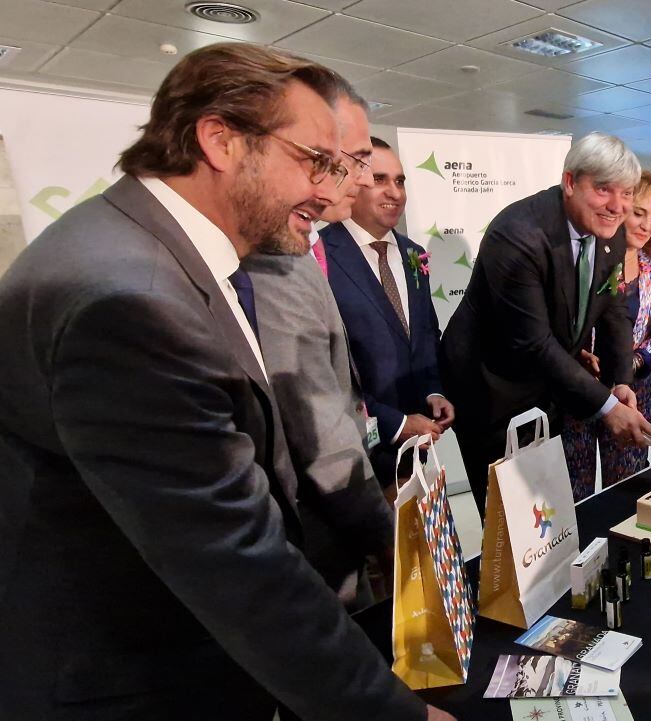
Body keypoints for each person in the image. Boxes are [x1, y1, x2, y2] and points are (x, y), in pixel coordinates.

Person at [0, 43, 441, 720]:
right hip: (130, 680)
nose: (329, 196)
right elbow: (236, 560)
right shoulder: (129, 301)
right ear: (221, 140)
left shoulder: (157, 254)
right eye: (316, 162)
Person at [442, 132, 651, 512]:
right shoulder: (517, 235)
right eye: (604, 189)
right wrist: (608, 408)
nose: (617, 206)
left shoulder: (609, 234)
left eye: (626, 193)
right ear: (571, 182)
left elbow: (612, 311)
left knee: (548, 516)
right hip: (492, 390)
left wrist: (620, 381)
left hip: (546, 389)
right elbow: (533, 343)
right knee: (507, 523)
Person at [242, 85, 393, 611]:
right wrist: (391, 539)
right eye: (333, 161)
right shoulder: (272, 255)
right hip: (313, 540)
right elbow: (317, 435)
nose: (348, 182)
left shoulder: (302, 242)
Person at [321, 137, 454, 488]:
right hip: (354, 458)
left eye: (400, 181)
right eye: (380, 179)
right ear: (353, 183)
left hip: (416, 452)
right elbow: (322, 370)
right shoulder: (318, 256)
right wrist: (394, 423)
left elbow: (424, 335)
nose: (394, 192)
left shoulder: (414, 253)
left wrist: (434, 392)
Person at [562, 171, 651, 500]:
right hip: (580, 394)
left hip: (634, 395)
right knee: (575, 493)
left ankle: (623, 553)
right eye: (639, 213)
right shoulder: (583, 261)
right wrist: (577, 357)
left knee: (627, 492)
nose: (646, 225)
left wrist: (632, 362)